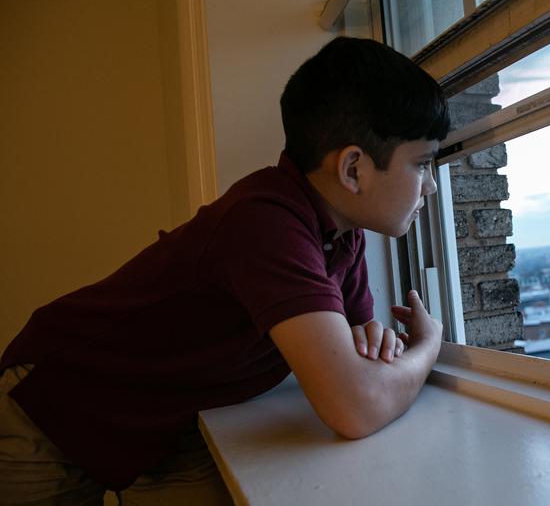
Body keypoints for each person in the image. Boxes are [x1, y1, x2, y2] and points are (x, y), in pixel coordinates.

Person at [0, 37, 449, 504]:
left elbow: (358, 350)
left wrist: (377, 341)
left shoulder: (342, 237)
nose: (431, 187)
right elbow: (356, 405)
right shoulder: (265, 222)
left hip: (168, 420)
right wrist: (428, 345)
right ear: (353, 169)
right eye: (421, 164)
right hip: (59, 404)